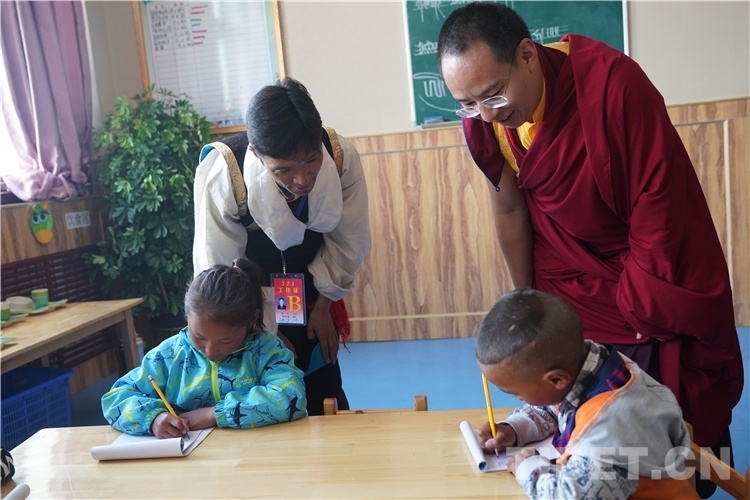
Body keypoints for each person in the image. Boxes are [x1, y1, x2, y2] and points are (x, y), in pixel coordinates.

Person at [437, 3, 743, 490]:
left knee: (658, 387)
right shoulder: (485, 119)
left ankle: (680, 484)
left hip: (642, 263)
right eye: (468, 104)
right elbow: (510, 208)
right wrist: (530, 299)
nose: (485, 113)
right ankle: (590, 466)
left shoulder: (612, 85)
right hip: (565, 270)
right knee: (569, 376)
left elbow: (658, 199)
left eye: (493, 94)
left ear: (527, 55)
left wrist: (640, 297)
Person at [193, 78, 371, 415]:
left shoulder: (339, 156)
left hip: (315, 293)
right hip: (246, 307)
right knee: (263, 399)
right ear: (257, 154)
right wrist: (261, 331)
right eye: (284, 170)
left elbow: (350, 239)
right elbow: (218, 272)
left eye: (311, 161)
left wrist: (324, 307)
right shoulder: (226, 173)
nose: (302, 179)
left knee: (323, 391)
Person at [476, 288, 698, 499]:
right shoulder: (592, 365)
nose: (518, 399)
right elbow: (557, 408)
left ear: (556, 379)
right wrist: (514, 429)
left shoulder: (607, 431)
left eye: (517, 393)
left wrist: (530, 468)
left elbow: (568, 497)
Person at [101, 257, 307, 438]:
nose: (210, 351)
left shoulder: (267, 352)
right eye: (199, 336)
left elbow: (292, 396)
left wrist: (214, 414)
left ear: (252, 320)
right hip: (187, 464)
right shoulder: (168, 356)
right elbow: (115, 399)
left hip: (254, 459)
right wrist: (153, 418)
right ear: (187, 316)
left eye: (226, 341)